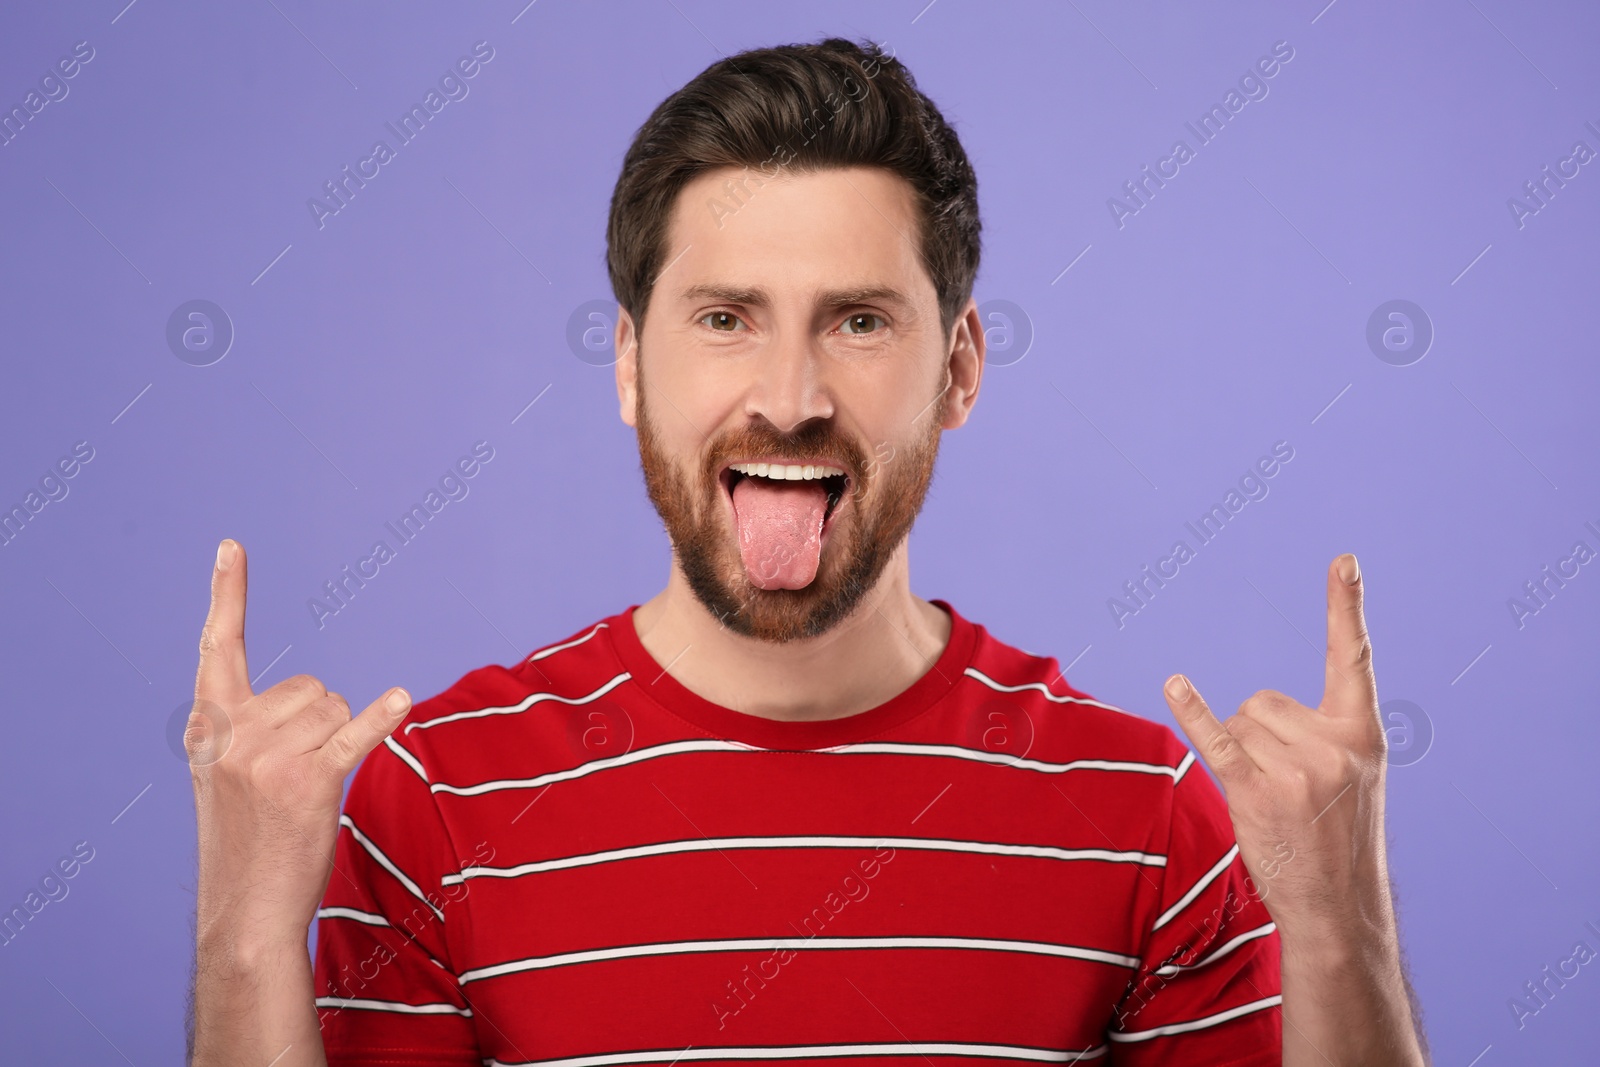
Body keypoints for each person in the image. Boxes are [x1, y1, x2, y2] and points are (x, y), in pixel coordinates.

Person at [185, 37, 1429, 1067]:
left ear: (959, 368)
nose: (789, 395)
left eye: (860, 320)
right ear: (628, 362)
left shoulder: (1147, 812)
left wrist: (1338, 931)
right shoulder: (436, 799)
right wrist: (243, 939)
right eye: (725, 318)